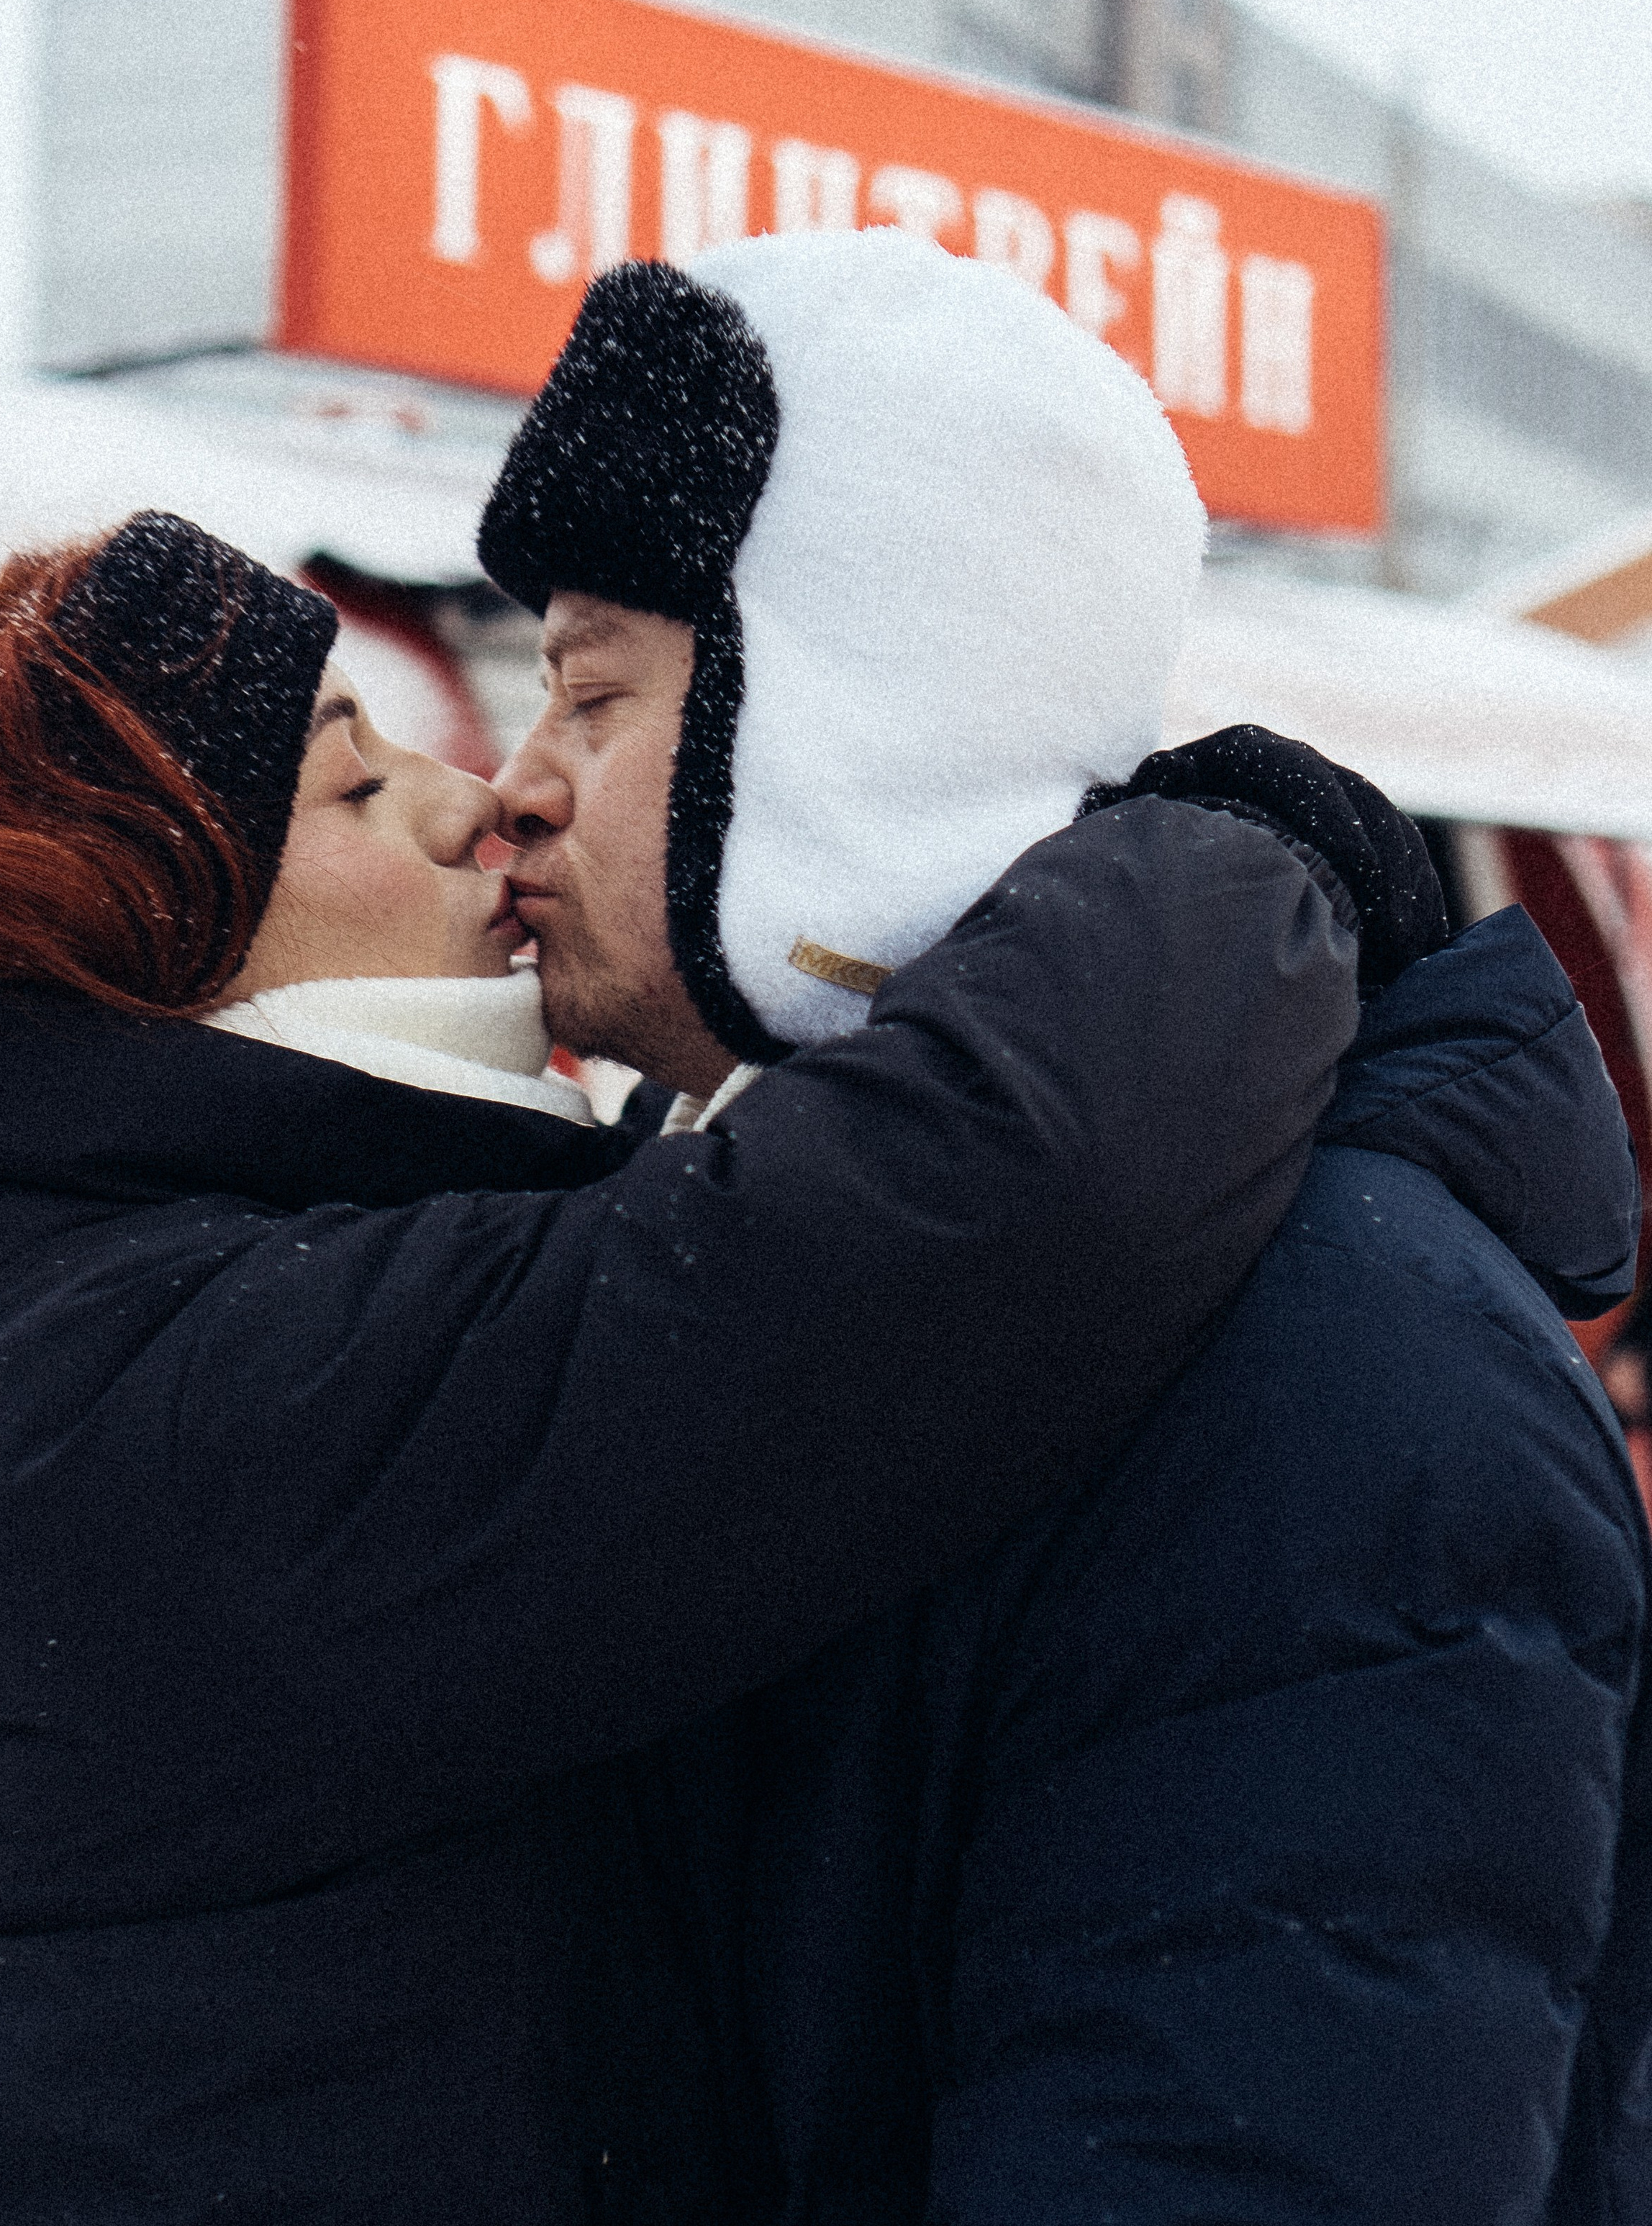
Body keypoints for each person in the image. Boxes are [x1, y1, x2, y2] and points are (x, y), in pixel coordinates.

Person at [0, 506, 1366, 2220]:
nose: (471, 798)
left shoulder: (79, 1307)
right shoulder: (126, 1403)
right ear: (152, 954)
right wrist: (1228, 852)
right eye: (351, 788)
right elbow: (976, 1212)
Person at [478, 228, 1652, 2221]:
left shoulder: (1330, 1360)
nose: (512, 791)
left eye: (594, 697)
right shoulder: (766, 1241)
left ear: (852, 733)